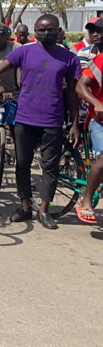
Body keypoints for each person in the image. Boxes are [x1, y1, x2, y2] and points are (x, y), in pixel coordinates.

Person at [0, 14, 81, 230]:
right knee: (22, 164)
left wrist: (76, 123)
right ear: (35, 31)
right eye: (41, 30)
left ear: (58, 30)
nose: (45, 33)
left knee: (49, 166)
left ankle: (43, 210)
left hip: (52, 119)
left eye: (50, 29)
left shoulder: (69, 58)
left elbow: (72, 91)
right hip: (25, 117)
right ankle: (25, 206)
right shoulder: (23, 52)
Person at [74, 50, 103, 224]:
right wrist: (96, 103)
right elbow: (80, 86)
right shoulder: (100, 60)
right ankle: (86, 201)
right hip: (99, 120)